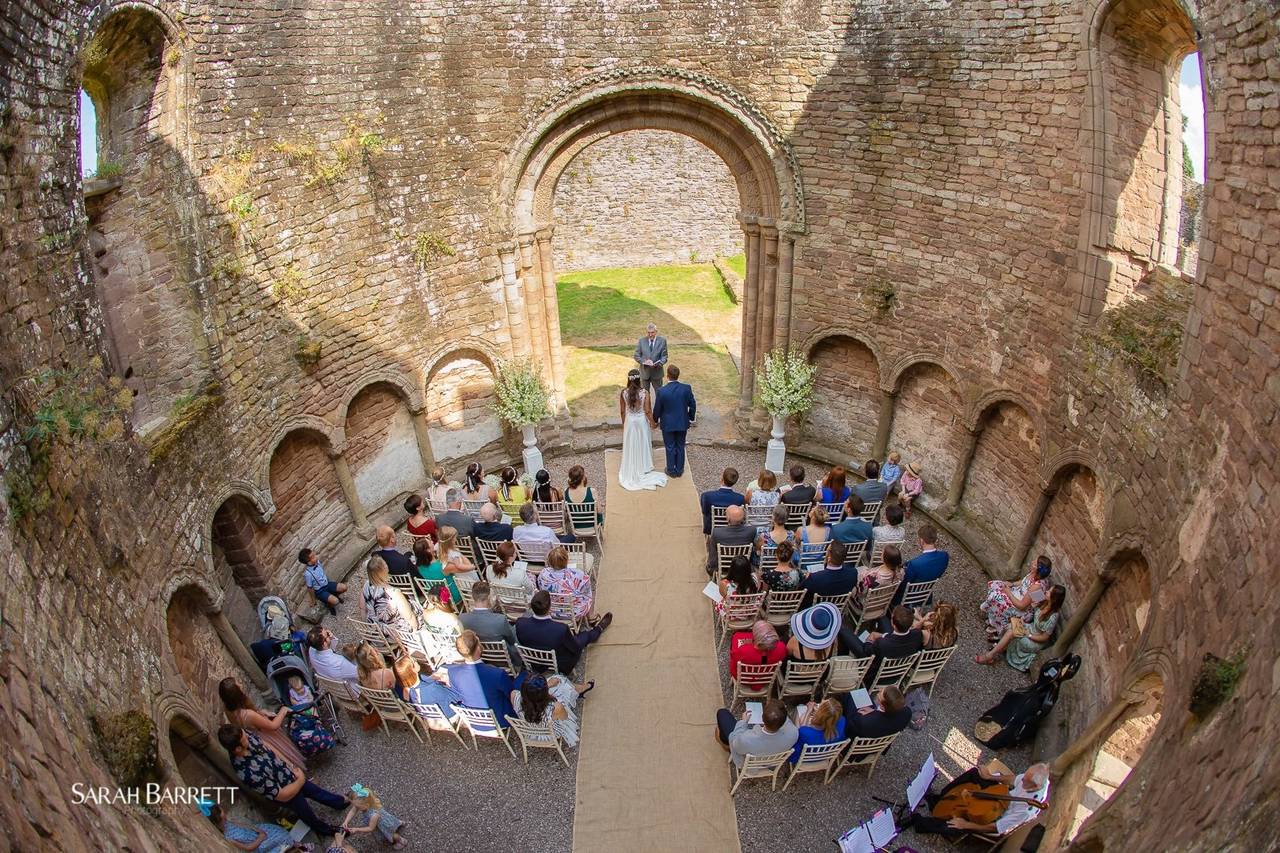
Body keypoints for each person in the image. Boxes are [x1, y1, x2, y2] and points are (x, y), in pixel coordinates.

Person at [218, 725, 349, 837]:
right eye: (244, 738)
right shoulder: (247, 773)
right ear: (237, 749)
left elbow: (267, 746)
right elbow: (281, 795)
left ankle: (339, 802)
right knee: (306, 812)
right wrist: (300, 780)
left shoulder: (244, 736)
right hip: (286, 793)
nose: (248, 736)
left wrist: (290, 766)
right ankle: (325, 830)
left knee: (315, 791)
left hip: (288, 774)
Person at [902, 761, 1050, 839]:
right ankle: (940, 798)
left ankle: (918, 822)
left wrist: (966, 824)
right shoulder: (1034, 776)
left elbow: (997, 827)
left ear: (1035, 787)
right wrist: (990, 777)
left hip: (993, 817)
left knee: (955, 825)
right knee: (975, 773)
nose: (1022, 781)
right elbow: (1014, 779)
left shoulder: (1025, 811)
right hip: (999, 796)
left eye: (1025, 783)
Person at [515, 590, 612, 674]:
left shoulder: (520, 623)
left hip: (534, 661)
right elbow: (575, 647)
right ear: (550, 607)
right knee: (583, 636)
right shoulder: (560, 629)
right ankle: (598, 629)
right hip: (559, 662)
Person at [219, 677, 305, 769]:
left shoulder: (228, 709)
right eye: (238, 685)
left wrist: (260, 712)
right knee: (285, 754)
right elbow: (273, 726)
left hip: (257, 731)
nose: (240, 684)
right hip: (267, 736)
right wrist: (283, 711)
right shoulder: (248, 715)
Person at [977, 585, 1066, 671]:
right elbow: (1029, 599)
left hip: (1035, 638)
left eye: (1049, 592)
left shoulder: (1054, 616)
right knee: (1011, 625)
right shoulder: (1042, 599)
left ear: (1054, 598)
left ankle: (990, 655)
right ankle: (998, 648)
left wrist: (1029, 635)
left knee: (1012, 632)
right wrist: (1030, 609)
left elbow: (1045, 637)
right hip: (1030, 626)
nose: (1046, 591)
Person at [440, 630, 517, 727]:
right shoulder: (497, 674)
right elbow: (511, 694)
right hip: (501, 720)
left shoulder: (453, 672)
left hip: (474, 721)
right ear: (478, 648)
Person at [617, 368, 669, 491]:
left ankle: (632, 463)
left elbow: (622, 411)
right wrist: (653, 423)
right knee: (643, 442)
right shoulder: (644, 393)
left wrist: (624, 424)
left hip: (630, 421)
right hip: (640, 421)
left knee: (631, 443)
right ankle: (644, 465)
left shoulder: (623, 392)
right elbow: (647, 411)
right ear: (639, 379)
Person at [511, 672, 591, 748]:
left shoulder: (514, 695)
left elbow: (531, 699)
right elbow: (565, 718)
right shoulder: (555, 708)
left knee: (556, 682)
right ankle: (579, 690)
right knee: (561, 682)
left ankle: (578, 690)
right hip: (549, 734)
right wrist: (548, 686)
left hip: (530, 732)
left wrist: (547, 686)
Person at [714, 698, 799, 769]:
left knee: (722, 713)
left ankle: (724, 743)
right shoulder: (794, 732)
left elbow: (735, 744)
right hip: (771, 761)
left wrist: (743, 722)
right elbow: (786, 720)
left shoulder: (746, 739)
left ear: (762, 719)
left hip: (751, 765)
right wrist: (782, 710)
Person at [982, 555, 1052, 639]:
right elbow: (1023, 582)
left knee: (996, 597)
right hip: (1017, 594)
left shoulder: (1037, 587)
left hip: (1022, 609)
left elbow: (1022, 606)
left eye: (1034, 562)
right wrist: (1012, 584)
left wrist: (1008, 592)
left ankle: (997, 627)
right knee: (997, 585)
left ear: (1037, 568)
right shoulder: (1035, 573)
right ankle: (993, 618)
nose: (1032, 561)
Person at [845, 606, 925, 675]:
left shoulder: (881, 643)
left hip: (874, 667)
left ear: (893, 625)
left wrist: (869, 640)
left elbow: (867, 650)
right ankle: (872, 624)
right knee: (882, 616)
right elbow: (894, 638)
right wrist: (884, 635)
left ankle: (842, 655)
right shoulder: (918, 634)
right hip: (896, 658)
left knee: (842, 629)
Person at [651, 363, 696, 477]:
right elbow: (693, 404)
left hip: (668, 424)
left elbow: (657, 408)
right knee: (680, 446)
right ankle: (679, 470)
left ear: (667, 375)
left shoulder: (662, 391)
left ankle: (671, 469)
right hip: (682, 422)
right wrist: (690, 417)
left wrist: (655, 419)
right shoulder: (686, 388)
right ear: (677, 375)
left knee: (670, 446)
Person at [458, 581, 519, 661]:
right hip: (502, 659)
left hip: (481, 657)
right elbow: (512, 640)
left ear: (473, 597)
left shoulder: (462, 619)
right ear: (489, 597)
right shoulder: (500, 620)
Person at [392, 654, 460, 723]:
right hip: (448, 716)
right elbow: (455, 698)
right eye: (414, 661)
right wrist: (449, 684)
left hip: (428, 716)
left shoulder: (399, 688)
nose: (416, 660)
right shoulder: (432, 689)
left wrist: (432, 678)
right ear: (413, 669)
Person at [203, 800, 293, 853]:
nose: (223, 810)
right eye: (220, 810)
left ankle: (295, 844)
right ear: (220, 816)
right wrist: (261, 838)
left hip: (257, 833)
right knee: (282, 842)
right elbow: (248, 848)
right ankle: (292, 846)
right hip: (258, 843)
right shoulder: (228, 837)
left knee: (280, 833)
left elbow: (245, 825)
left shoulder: (228, 822)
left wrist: (257, 830)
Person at [341, 783, 406, 850]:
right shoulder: (368, 803)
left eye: (357, 807)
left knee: (391, 834)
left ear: (366, 805)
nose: (355, 808)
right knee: (391, 821)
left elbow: (370, 828)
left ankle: (401, 840)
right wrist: (346, 821)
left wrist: (357, 829)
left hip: (382, 825)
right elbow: (353, 811)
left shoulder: (374, 815)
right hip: (383, 819)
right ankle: (398, 823)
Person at [362, 556, 417, 635]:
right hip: (393, 632)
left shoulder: (366, 585)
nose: (387, 565)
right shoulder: (393, 592)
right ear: (383, 570)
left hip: (375, 629)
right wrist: (415, 629)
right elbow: (409, 616)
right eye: (385, 564)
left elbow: (362, 607)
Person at [537, 546, 594, 619]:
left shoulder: (543, 573)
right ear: (567, 560)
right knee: (586, 594)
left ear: (550, 562)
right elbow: (586, 592)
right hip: (573, 611)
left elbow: (540, 587)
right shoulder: (578, 574)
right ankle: (590, 618)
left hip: (550, 610)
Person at [898, 525, 949, 605]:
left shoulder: (915, 564)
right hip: (926, 591)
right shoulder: (945, 556)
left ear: (922, 541)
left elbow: (904, 584)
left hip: (910, 596)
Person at [800, 541, 858, 607]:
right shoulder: (853, 573)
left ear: (829, 557)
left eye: (827, 551)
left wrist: (807, 578)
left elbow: (801, 591)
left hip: (818, 607)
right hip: (838, 605)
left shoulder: (815, 578)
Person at [842, 685, 912, 739]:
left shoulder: (863, 722)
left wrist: (869, 716)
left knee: (852, 696)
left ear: (882, 706)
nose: (879, 690)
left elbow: (848, 731)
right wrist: (875, 712)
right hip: (878, 728)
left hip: (859, 739)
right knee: (861, 693)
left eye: (880, 693)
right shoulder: (907, 713)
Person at [729, 620, 787, 684]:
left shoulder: (743, 651)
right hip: (766, 678)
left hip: (744, 679)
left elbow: (733, 658)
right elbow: (764, 659)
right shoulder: (782, 648)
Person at [791, 697, 847, 762]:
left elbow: (802, 729)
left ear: (819, 715)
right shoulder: (842, 720)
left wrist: (808, 711)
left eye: (820, 705)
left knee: (799, 709)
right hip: (825, 755)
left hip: (802, 757)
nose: (822, 700)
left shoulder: (805, 733)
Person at [306, 626, 360, 692]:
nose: (329, 633)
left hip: (334, 687)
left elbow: (329, 650)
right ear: (324, 644)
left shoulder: (311, 650)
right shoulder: (339, 662)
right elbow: (359, 673)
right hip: (352, 690)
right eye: (327, 634)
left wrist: (331, 638)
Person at [708, 504, 757, 575]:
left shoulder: (717, 532)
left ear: (727, 519)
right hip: (743, 566)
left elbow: (713, 556)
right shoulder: (752, 530)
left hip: (724, 567)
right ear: (743, 518)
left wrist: (712, 569)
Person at [435, 525, 477, 602]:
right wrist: (471, 567)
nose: (456, 539)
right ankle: (473, 601)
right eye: (454, 538)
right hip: (464, 576)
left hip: (456, 574)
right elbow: (459, 566)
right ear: (450, 540)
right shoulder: (454, 553)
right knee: (472, 589)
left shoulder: (438, 546)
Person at [300, 547, 347, 615]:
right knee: (336, 601)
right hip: (320, 591)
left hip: (327, 584)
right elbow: (310, 588)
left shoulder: (317, 562)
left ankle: (333, 595)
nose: (316, 557)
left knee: (344, 587)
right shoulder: (308, 574)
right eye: (313, 557)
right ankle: (329, 605)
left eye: (314, 555)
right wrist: (313, 600)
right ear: (308, 561)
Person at [699, 467, 745, 534]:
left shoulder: (706, 496)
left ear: (722, 479)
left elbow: (705, 512)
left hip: (711, 528)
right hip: (732, 527)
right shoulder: (740, 498)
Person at [564, 465, 603, 532]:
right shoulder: (592, 491)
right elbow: (599, 511)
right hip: (593, 526)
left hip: (576, 527)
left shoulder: (566, 492)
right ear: (582, 478)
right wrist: (600, 522)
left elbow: (566, 511)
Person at [634, 321, 667, 396]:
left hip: (657, 372)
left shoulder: (662, 341)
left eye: (652, 332)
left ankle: (659, 408)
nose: (650, 335)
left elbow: (664, 356)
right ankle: (647, 408)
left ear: (656, 332)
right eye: (648, 332)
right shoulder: (641, 341)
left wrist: (660, 363)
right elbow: (636, 355)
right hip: (645, 373)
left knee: (659, 395)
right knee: (645, 396)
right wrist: (644, 361)